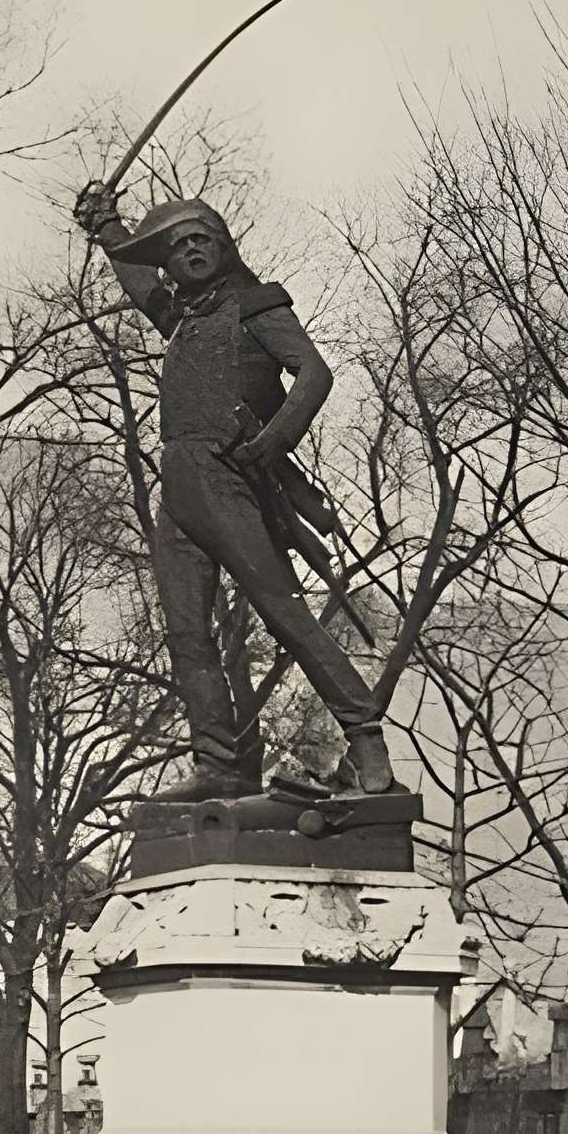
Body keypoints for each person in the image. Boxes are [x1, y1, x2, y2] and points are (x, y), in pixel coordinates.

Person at [72, 182, 396, 800]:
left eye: (204, 239)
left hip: (228, 478)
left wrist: (271, 445)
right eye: (178, 245)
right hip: (179, 487)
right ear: (167, 260)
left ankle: (364, 733)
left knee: (283, 611)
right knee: (187, 631)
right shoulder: (184, 318)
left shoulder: (255, 304)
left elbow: (314, 373)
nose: (192, 250)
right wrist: (108, 230)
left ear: (224, 247)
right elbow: (140, 285)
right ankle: (218, 764)